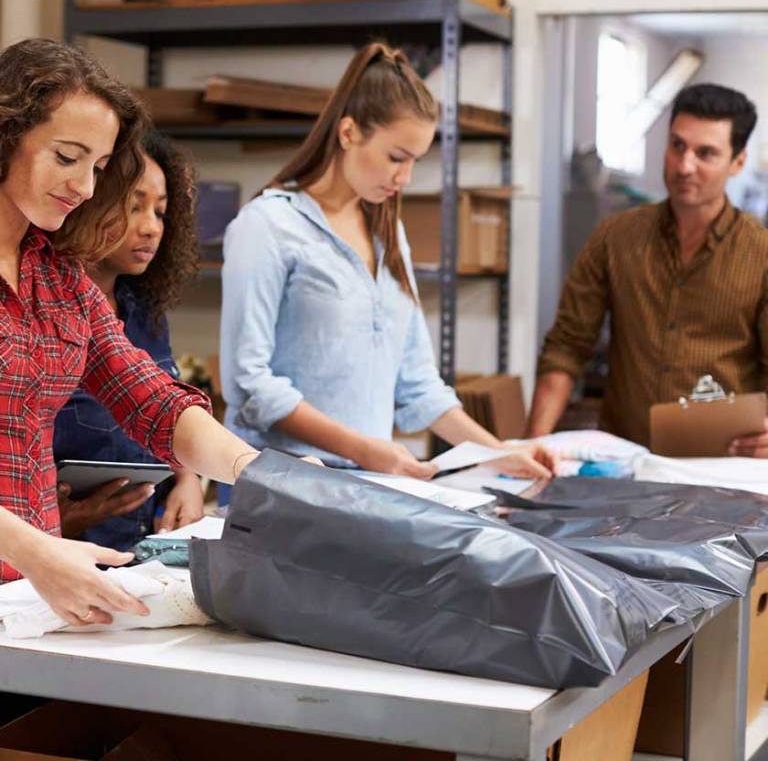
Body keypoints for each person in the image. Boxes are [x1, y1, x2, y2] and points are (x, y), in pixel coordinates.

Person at [0, 38, 279, 626]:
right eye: (67, 157)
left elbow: (150, 400)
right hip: (38, 570)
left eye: (98, 168)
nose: (83, 187)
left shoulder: (59, 278)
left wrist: (257, 472)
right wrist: (32, 551)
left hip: (32, 598)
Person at [220, 42, 556, 480]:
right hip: (282, 482)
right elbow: (249, 385)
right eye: (396, 158)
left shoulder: (387, 234)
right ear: (348, 133)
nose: (405, 178)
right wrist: (364, 450)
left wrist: (499, 454)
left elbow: (419, 384)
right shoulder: (268, 225)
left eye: (415, 161)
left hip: (368, 481)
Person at [527, 83, 768, 454]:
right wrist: (532, 447)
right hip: (626, 460)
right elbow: (567, 346)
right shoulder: (615, 237)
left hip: (724, 465)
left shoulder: (761, 253)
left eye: (706, 154)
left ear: (737, 162)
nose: (685, 166)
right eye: (677, 146)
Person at [53, 130, 204, 550]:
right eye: (134, 207)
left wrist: (188, 479)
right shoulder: (46, 308)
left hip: (135, 549)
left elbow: (164, 406)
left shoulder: (147, 315)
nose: (150, 228)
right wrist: (57, 521)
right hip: (53, 554)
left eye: (160, 212)